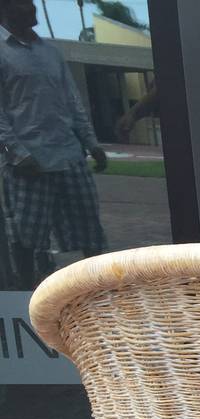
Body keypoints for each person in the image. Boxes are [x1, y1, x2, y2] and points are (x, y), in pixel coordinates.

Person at [0, 0, 107, 289]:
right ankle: (23, 294)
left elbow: (72, 101)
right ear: (6, 8)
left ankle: (98, 290)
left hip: (69, 155)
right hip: (29, 164)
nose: (32, 7)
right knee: (27, 236)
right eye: (24, 2)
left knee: (90, 231)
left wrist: (92, 143)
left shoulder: (50, 53)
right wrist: (16, 153)